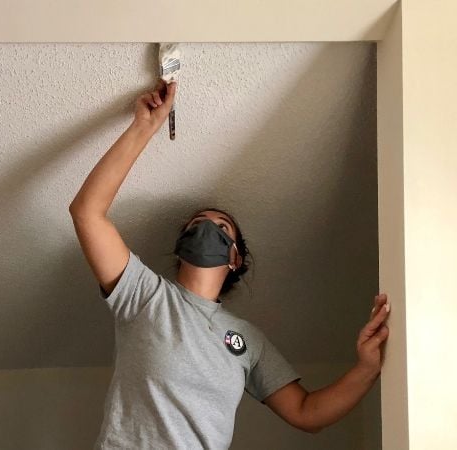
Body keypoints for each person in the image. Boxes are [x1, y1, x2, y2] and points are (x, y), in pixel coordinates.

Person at [68, 79, 391, 449]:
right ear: (180, 248)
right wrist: (145, 126)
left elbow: (307, 412)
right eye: (197, 225)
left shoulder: (248, 341)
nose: (207, 227)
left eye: (221, 227)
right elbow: (87, 212)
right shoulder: (144, 294)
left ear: (235, 258)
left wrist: (367, 368)